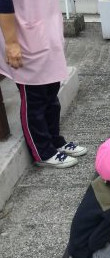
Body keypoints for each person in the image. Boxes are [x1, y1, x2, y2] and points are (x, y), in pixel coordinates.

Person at [0, 0, 87, 168]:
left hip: (45, 30)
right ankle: (43, 152)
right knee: (35, 99)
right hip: (23, 37)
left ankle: (54, 140)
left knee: (51, 95)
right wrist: (11, 43)